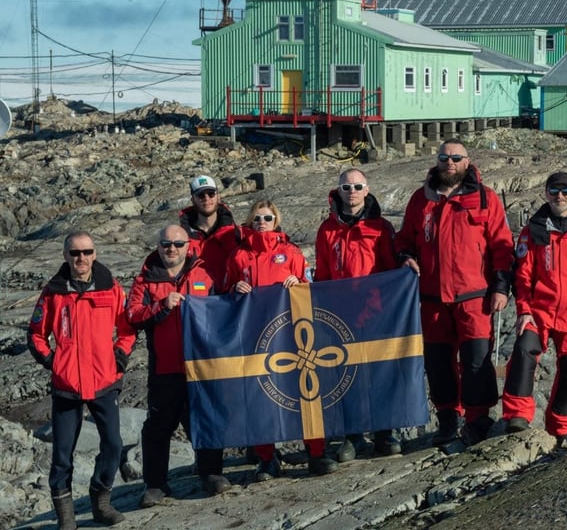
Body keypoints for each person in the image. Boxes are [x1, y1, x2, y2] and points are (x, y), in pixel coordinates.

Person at [395, 138, 514, 446]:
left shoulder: (486, 198)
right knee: (438, 363)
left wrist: (501, 287)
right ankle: (448, 419)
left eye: (456, 158)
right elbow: (405, 239)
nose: (450, 162)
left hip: (474, 297)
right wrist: (406, 257)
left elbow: (502, 247)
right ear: (437, 160)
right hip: (432, 297)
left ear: (467, 161)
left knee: (476, 360)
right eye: (444, 157)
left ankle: (478, 420)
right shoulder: (420, 199)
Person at [28, 231, 135, 529]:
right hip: (67, 387)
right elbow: (35, 334)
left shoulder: (111, 287)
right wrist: (53, 363)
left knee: (113, 445)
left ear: (95, 253)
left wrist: (119, 358)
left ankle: (101, 502)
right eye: (75, 253)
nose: (81, 258)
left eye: (87, 252)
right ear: (65, 256)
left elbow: (127, 329)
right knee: (62, 455)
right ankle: (66, 518)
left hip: (104, 382)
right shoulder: (53, 292)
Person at [223, 200, 333, 477]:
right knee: (260, 397)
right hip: (255, 336)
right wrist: (234, 287)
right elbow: (223, 294)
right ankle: (267, 458)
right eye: (257, 218)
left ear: (276, 221)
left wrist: (299, 284)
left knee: (307, 392)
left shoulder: (291, 252)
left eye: (268, 218)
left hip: (292, 335)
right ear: (250, 221)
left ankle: (316, 453)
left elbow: (312, 289)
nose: (262, 223)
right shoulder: (238, 256)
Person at [501, 172, 567, 446]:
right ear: (546, 193)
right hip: (539, 311)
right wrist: (524, 310)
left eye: (566, 190)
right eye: (554, 191)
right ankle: (517, 416)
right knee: (524, 352)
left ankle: (560, 428)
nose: (560, 196)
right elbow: (523, 276)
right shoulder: (533, 230)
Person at [127, 225, 227, 505]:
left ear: (188, 246)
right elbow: (132, 315)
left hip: (201, 365)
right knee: (159, 426)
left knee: (205, 419)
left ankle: (211, 473)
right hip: (165, 367)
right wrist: (162, 305)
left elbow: (222, 311)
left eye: (178, 244)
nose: (172, 249)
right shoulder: (145, 280)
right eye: (166, 244)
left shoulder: (204, 275)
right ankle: (155, 485)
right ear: (158, 246)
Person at [315, 168, 401, 462]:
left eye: (357, 186)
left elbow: (392, 269)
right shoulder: (327, 230)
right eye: (346, 187)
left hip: (375, 312)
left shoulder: (382, 227)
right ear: (338, 191)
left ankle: (384, 433)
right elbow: (323, 273)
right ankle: (352, 436)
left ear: (367, 189)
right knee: (347, 377)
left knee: (380, 374)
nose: (352, 191)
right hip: (341, 315)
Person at [179, 174, 241, 285]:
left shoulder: (236, 233)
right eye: (200, 195)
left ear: (218, 197)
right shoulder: (182, 238)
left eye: (211, 194)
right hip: (198, 292)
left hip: (232, 291)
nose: (206, 199)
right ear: (193, 200)